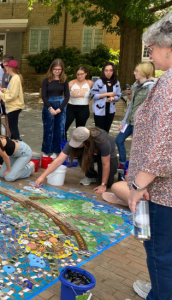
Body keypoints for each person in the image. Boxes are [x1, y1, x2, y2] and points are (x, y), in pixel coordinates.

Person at [127, 12, 172, 300]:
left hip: (159, 192)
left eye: (152, 49)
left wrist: (138, 187)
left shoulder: (168, 85)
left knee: (159, 253)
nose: (150, 56)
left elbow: (160, 144)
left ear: (168, 49)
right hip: (160, 191)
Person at [35, 127, 118, 191]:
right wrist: (42, 176)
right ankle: (91, 175)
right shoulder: (76, 138)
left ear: (86, 141)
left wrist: (103, 184)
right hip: (90, 152)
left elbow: (105, 164)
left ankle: (102, 180)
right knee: (81, 156)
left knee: (108, 183)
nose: (75, 145)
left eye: (78, 144)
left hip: (107, 156)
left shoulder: (102, 141)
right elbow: (58, 160)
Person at [115, 62, 155, 169]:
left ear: (144, 72)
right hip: (130, 121)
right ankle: (122, 163)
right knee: (118, 140)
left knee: (136, 147)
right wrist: (124, 121)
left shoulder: (151, 87)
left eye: (137, 71)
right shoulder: (136, 85)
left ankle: (135, 168)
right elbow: (131, 105)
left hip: (141, 123)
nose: (134, 73)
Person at [41, 59, 70, 158]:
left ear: (62, 70)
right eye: (55, 69)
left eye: (59, 69)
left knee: (59, 129)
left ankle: (56, 151)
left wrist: (60, 109)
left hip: (60, 106)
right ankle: (46, 150)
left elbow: (67, 96)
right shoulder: (46, 80)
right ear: (51, 69)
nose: (57, 71)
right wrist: (50, 108)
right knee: (48, 129)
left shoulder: (64, 80)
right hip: (48, 105)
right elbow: (43, 96)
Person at [90, 62, 121, 133]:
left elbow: (118, 96)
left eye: (111, 70)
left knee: (106, 131)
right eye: (106, 70)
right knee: (99, 131)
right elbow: (93, 95)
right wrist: (107, 94)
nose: (108, 72)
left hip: (110, 109)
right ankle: (98, 144)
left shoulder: (116, 82)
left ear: (114, 71)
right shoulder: (98, 82)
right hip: (99, 109)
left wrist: (113, 98)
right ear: (103, 71)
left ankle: (105, 144)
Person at [0, 60, 24, 140]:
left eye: (7, 66)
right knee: (13, 128)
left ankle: (19, 145)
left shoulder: (15, 78)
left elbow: (13, 95)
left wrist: (1, 95)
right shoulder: (14, 78)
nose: (5, 68)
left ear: (10, 68)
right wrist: (4, 90)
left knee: (13, 129)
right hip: (12, 107)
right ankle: (16, 144)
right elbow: (11, 91)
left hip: (14, 107)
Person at [65, 66, 94, 136]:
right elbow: (65, 96)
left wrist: (90, 98)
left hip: (83, 109)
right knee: (64, 127)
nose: (80, 76)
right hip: (71, 108)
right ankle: (63, 144)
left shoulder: (90, 83)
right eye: (78, 74)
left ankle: (79, 146)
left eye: (82, 74)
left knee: (80, 130)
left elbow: (96, 93)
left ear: (86, 74)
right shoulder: (71, 83)